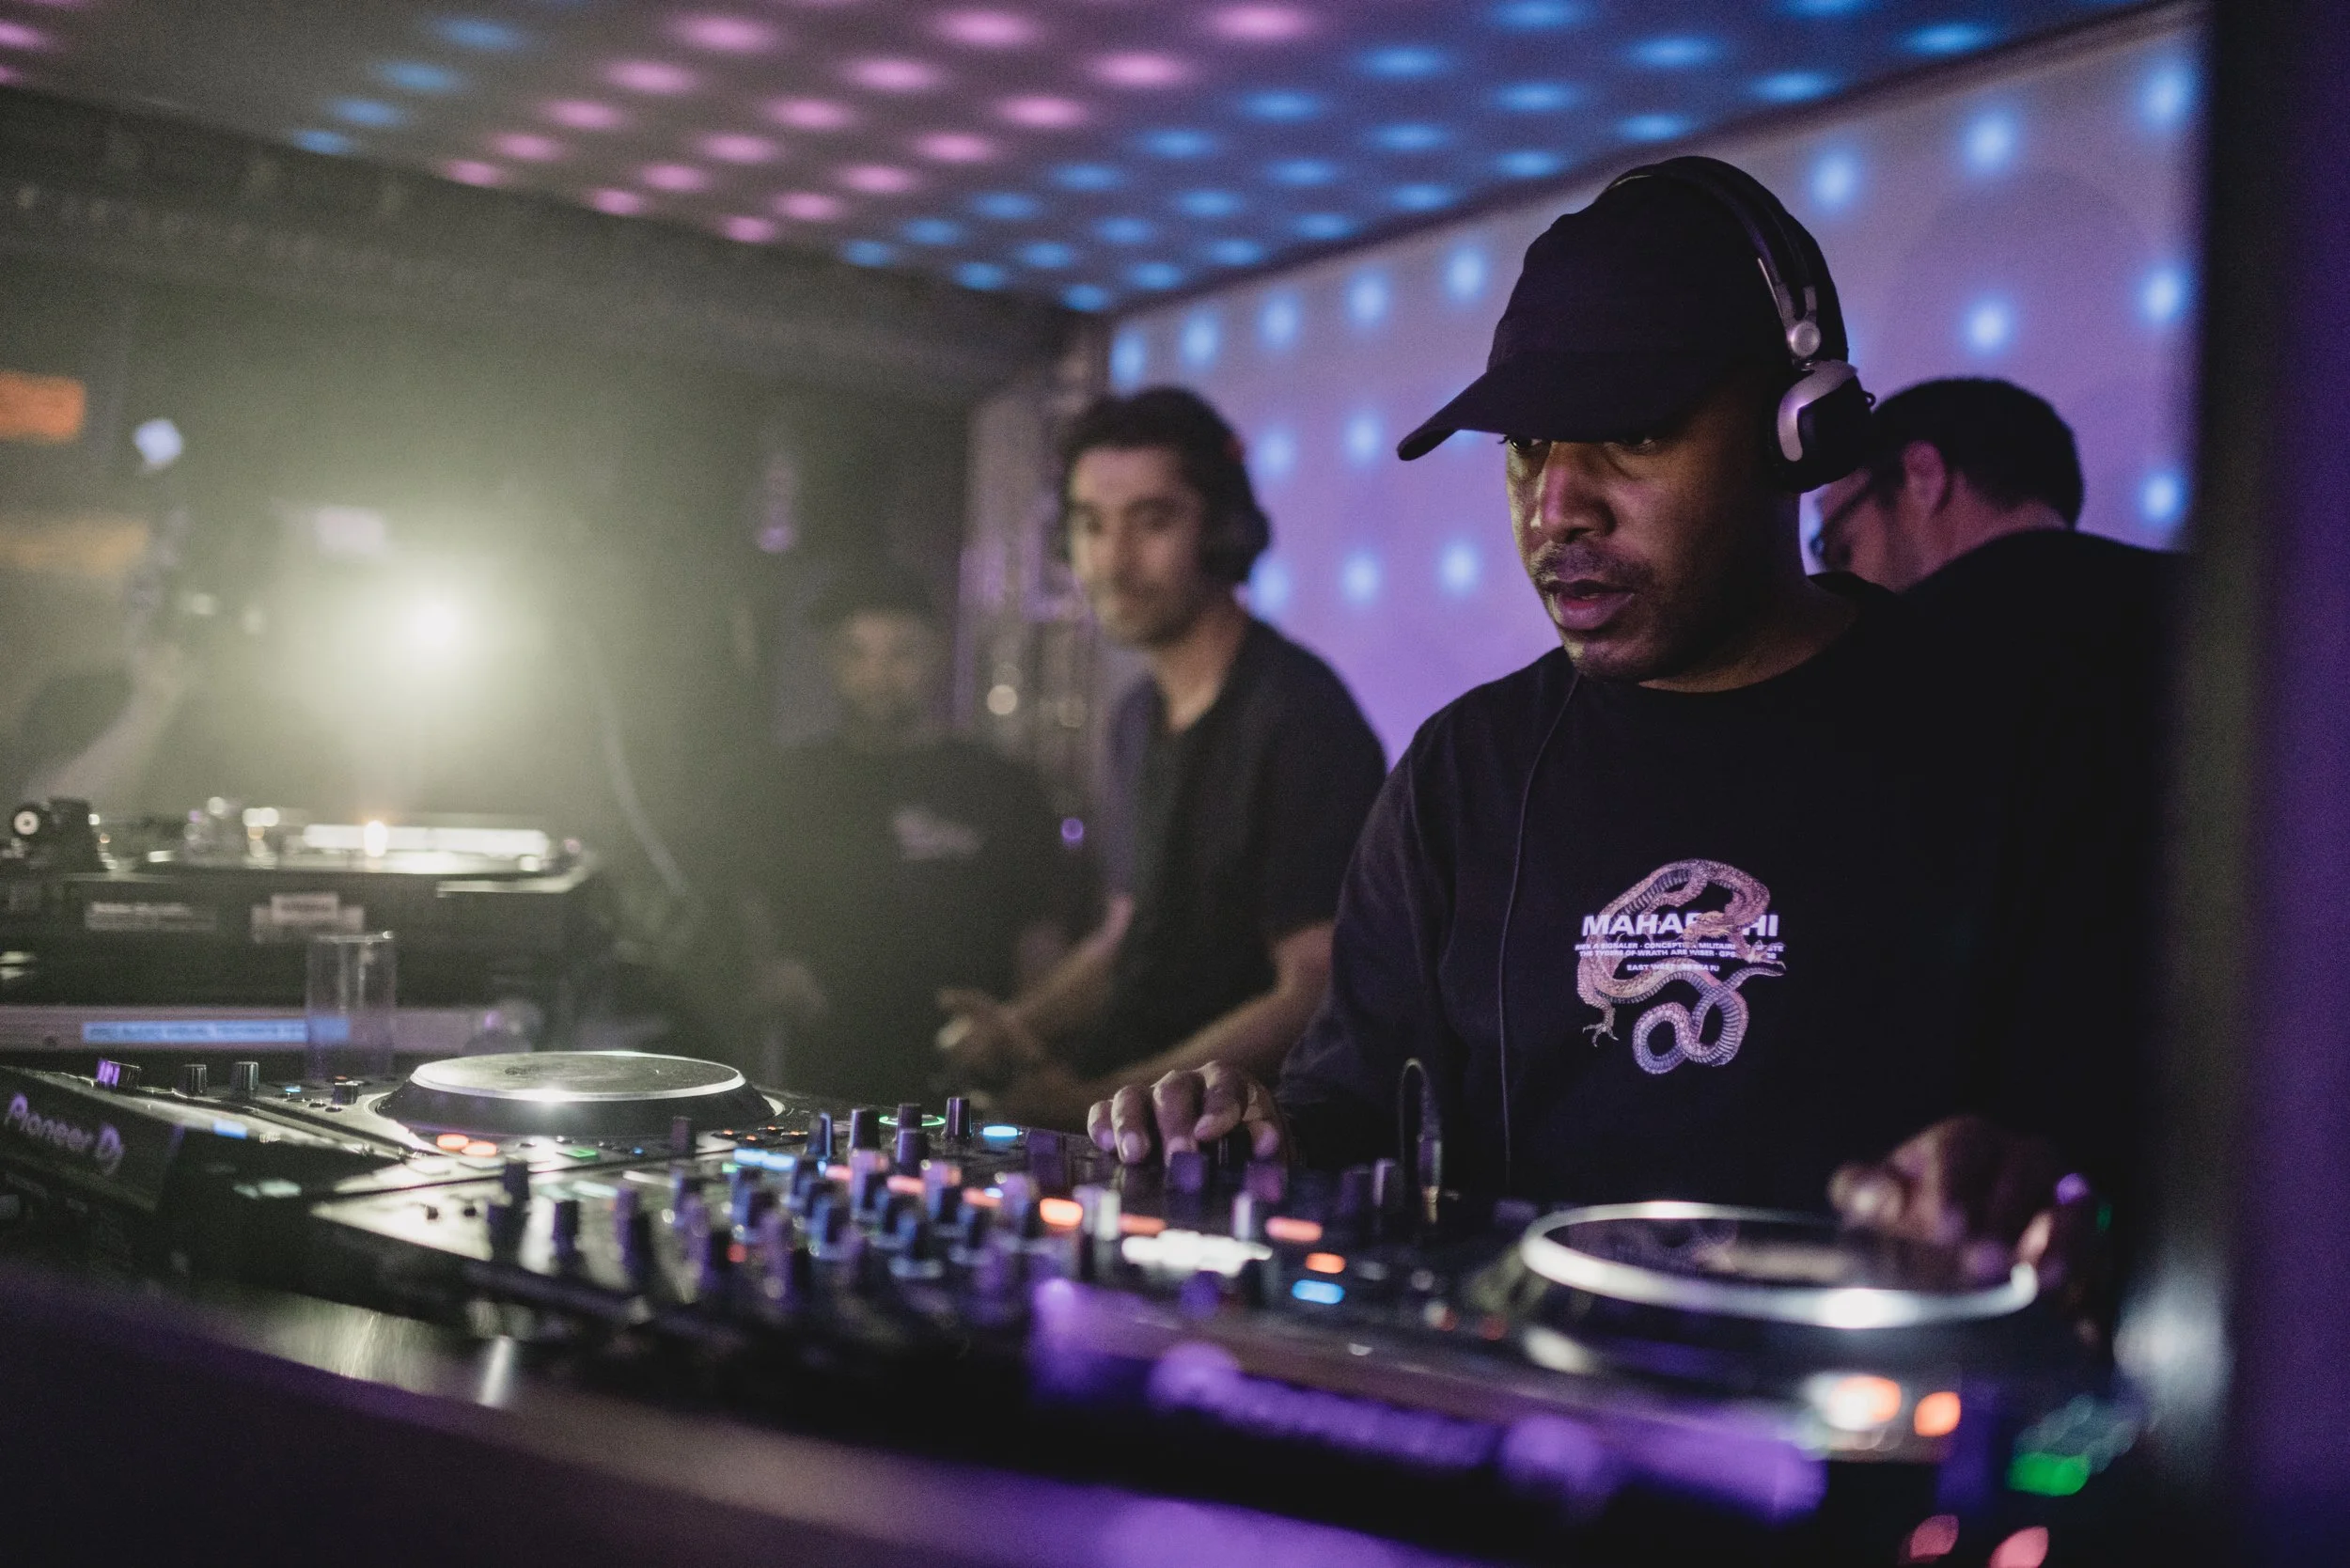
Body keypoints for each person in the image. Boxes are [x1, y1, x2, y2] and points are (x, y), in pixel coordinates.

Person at [1086, 159, 2119, 1294]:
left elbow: (2126, 1144)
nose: (1555, 508)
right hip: (1518, 1417)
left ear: (1798, 433)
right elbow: (1358, 1109)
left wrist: (2032, 1184)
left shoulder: (2014, 744)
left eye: (1629, 436)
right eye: (1528, 449)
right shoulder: (1459, 774)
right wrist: (1253, 1130)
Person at [938, 388, 1386, 1127]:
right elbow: (1127, 932)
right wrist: (1017, 1029)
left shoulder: (1300, 716)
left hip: (1237, 1141)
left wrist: (1100, 1101)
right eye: (1089, 525)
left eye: (1152, 520)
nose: (1112, 561)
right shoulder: (1137, 717)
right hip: (1137, 1117)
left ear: (1222, 530)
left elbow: (1313, 985)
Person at [1818, 378, 2177, 1262]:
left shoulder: (1873, 666)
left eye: (1837, 540)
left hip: (1965, 1223)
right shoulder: (2216, 612)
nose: (1832, 577)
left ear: (1924, 474)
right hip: (2216, 1196)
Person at [741, 572, 1071, 1106]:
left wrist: (1026, 1043)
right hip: (824, 1076)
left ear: (937, 653)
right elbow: (752, 899)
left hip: (966, 1081)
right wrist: (774, 970)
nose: (878, 675)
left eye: (901, 653)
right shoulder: (792, 782)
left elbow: (1041, 932)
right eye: (856, 653)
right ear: (830, 659)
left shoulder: (1001, 784)